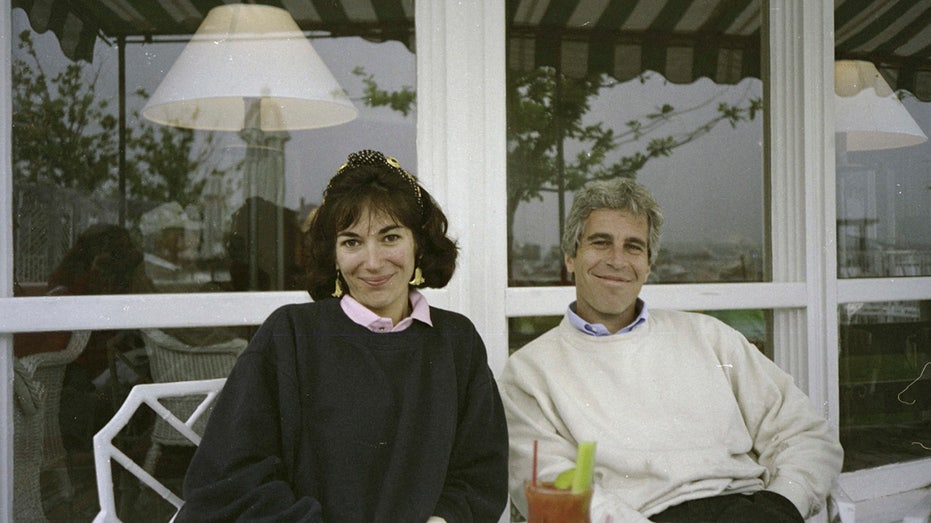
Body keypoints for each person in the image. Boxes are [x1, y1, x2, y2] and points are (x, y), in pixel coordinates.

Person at [175, 150, 509, 522]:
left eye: (390, 237)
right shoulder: (290, 336)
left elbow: (481, 474)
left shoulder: (457, 342)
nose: (372, 261)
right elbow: (231, 478)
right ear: (332, 254)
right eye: (351, 242)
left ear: (419, 243)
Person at [499, 178, 843, 522]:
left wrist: (782, 505)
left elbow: (806, 432)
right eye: (601, 242)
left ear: (648, 265)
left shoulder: (709, 337)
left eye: (634, 247)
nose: (617, 260)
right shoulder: (529, 372)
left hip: (750, 510)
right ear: (571, 257)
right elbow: (554, 490)